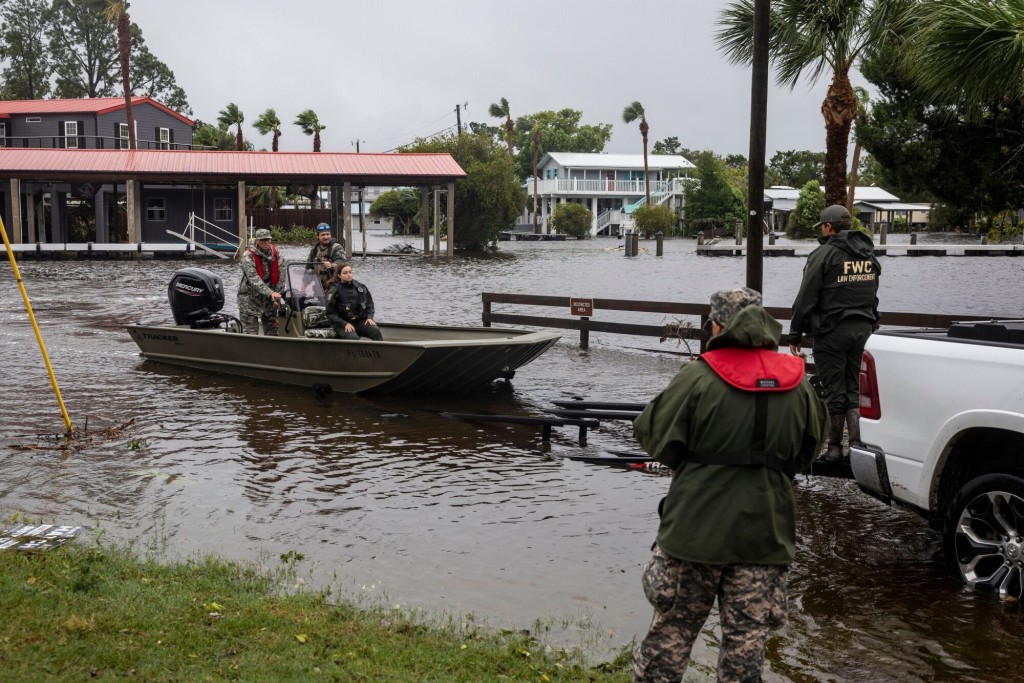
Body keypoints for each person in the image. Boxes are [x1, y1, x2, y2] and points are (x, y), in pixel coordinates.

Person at [632, 287, 827, 683]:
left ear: (717, 325)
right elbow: (811, 449)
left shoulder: (697, 376)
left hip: (694, 532)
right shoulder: (798, 382)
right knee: (745, 649)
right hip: (764, 533)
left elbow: (653, 436)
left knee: (670, 638)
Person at [788, 204, 881, 460]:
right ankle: (859, 449)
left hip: (831, 332)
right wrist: (873, 325)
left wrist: (795, 333)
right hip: (863, 330)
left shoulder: (824, 255)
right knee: (854, 389)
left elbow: (806, 297)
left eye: (823, 226)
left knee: (834, 391)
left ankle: (835, 450)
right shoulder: (868, 255)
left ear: (828, 227)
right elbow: (873, 296)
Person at [237, 228, 287, 335]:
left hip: (269, 298)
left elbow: (282, 273)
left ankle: (271, 350)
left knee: (272, 330)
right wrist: (271, 293)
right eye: (263, 240)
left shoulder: (275, 253)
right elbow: (254, 279)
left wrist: (277, 295)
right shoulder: (247, 256)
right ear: (257, 241)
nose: (266, 242)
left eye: (268, 240)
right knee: (251, 332)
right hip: (250, 298)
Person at [325, 263, 382, 341]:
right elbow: (330, 313)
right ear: (339, 275)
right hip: (342, 324)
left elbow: (369, 304)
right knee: (353, 338)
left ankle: (380, 352)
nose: (349, 275)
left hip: (359, 321)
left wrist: (369, 317)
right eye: (345, 273)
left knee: (375, 331)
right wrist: (344, 324)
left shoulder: (360, 287)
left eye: (350, 272)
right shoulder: (334, 290)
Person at [306, 222, 346, 294]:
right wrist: (302, 289)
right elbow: (308, 269)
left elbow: (341, 262)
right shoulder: (314, 251)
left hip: (335, 287)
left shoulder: (337, 248)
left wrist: (332, 265)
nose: (326, 237)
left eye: (328, 234)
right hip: (318, 288)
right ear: (317, 236)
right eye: (323, 235)